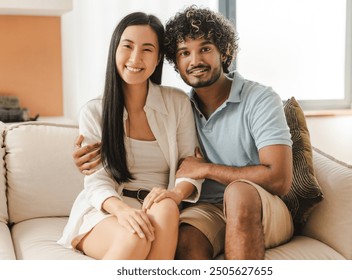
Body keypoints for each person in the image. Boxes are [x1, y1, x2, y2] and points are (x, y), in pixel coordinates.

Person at [74, 6, 294, 260]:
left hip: (258, 204)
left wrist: (206, 169)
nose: (195, 60)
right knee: (186, 241)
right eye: (184, 53)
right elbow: (101, 173)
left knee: (238, 193)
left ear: (225, 51)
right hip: (206, 209)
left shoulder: (259, 99)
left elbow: (279, 179)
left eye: (205, 49)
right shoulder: (184, 106)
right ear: (173, 62)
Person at [57, 12, 202, 260]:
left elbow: (189, 166)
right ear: (115, 49)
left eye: (147, 49)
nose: (135, 58)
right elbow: (97, 182)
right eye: (127, 46)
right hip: (108, 209)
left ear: (158, 59)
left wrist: (174, 194)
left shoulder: (177, 103)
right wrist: (123, 211)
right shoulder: (95, 111)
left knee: (167, 206)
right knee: (137, 235)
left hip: (159, 206)